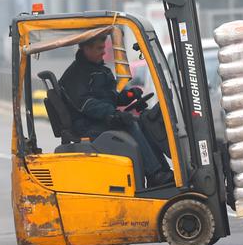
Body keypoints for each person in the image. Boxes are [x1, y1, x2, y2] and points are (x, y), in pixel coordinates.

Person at [60, 35, 174, 187]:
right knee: (130, 125)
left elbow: (110, 96)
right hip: (87, 125)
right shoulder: (76, 75)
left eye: (103, 47)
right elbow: (86, 104)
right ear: (86, 49)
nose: (103, 52)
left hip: (100, 119)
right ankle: (154, 173)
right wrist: (112, 114)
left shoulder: (99, 69)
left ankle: (163, 171)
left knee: (144, 122)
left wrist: (128, 95)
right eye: (99, 48)